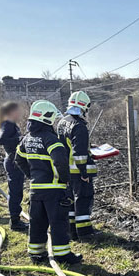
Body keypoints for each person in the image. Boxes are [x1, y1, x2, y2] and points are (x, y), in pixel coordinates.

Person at [15, 100, 82, 265]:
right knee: (58, 222)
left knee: (37, 223)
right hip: (54, 189)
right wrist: (65, 180)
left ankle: (36, 253)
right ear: (47, 118)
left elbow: (18, 159)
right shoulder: (51, 139)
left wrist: (31, 175)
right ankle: (62, 254)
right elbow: (60, 161)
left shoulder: (26, 139)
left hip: (36, 189)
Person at [56, 91, 98, 239]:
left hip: (65, 170)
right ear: (84, 107)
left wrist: (88, 146)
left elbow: (67, 145)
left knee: (71, 201)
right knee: (83, 199)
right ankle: (85, 233)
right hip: (78, 172)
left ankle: (72, 231)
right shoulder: (79, 126)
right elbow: (79, 153)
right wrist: (84, 173)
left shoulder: (62, 122)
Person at [0, 101, 28, 231]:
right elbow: (1, 140)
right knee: (15, 192)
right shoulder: (8, 124)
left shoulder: (10, 124)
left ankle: (16, 219)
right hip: (13, 161)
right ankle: (15, 221)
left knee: (16, 191)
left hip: (13, 160)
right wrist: (19, 140)